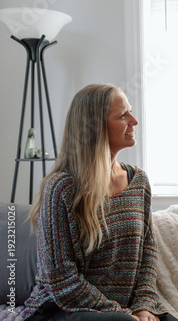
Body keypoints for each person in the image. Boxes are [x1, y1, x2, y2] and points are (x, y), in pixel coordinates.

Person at [22, 84, 170, 321]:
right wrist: (121, 313)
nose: (134, 121)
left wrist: (144, 306)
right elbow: (61, 278)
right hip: (61, 308)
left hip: (121, 311)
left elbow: (148, 252)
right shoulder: (62, 188)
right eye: (123, 115)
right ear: (95, 128)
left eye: (130, 112)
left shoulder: (138, 181)